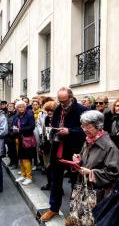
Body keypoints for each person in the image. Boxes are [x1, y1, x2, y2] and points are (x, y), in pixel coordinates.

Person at [65, 110, 119, 226]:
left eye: (88, 127)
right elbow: (86, 160)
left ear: (99, 126)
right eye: (83, 126)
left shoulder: (109, 146)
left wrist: (91, 172)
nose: (84, 129)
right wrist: (78, 160)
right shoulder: (89, 140)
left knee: (92, 221)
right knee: (80, 220)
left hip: (97, 195)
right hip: (82, 189)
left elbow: (114, 173)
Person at [41, 87, 87, 222]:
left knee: (75, 183)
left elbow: (87, 131)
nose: (62, 104)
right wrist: (53, 129)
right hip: (57, 149)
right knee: (56, 181)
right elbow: (54, 123)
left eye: (64, 101)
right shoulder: (57, 109)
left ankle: (73, 213)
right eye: (59, 101)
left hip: (73, 151)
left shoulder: (82, 111)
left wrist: (70, 131)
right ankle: (53, 208)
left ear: (71, 98)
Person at [13, 100, 36, 186]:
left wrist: (20, 129)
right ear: (17, 108)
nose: (21, 108)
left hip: (27, 139)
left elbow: (32, 126)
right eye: (19, 107)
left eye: (22, 106)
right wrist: (14, 128)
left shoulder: (29, 114)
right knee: (21, 158)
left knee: (26, 158)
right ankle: (23, 175)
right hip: (19, 139)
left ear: (25, 107)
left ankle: (29, 177)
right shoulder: (17, 115)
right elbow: (14, 124)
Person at [38, 101, 57, 191]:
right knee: (47, 167)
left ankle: (58, 188)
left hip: (56, 147)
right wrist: (41, 146)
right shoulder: (46, 119)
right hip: (47, 146)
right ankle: (49, 184)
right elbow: (44, 133)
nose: (49, 112)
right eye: (48, 110)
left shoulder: (57, 120)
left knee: (55, 169)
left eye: (52, 110)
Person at [5, 102, 18, 169]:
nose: (9, 107)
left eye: (11, 106)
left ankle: (15, 163)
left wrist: (11, 132)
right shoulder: (6, 115)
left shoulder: (16, 115)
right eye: (8, 106)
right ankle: (11, 162)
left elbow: (16, 125)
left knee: (14, 151)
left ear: (14, 108)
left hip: (13, 135)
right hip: (7, 135)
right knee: (10, 150)